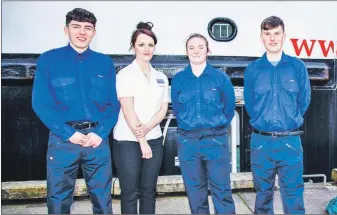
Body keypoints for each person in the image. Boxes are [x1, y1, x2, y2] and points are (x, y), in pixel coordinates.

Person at [31, 8, 119, 214]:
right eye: (76, 26)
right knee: (58, 200)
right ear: (66, 29)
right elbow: (41, 104)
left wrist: (100, 133)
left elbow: (113, 105)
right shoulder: (48, 60)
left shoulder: (104, 63)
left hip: (97, 141)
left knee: (103, 199)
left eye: (88, 28)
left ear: (94, 32)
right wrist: (69, 134)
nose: (82, 32)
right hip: (63, 142)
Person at [243, 16, 311, 214]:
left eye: (276, 33)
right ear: (261, 37)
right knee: (262, 194)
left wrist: (287, 120)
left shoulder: (297, 67)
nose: (272, 38)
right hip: (261, 142)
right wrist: (263, 123)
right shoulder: (253, 70)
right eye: (267, 34)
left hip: (290, 142)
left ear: (284, 36)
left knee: (293, 194)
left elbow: (304, 101)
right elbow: (250, 104)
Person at [170, 33, 237, 214]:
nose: (196, 51)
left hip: (215, 141)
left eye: (200, 47)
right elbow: (177, 109)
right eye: (191, 47)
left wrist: (217, 125)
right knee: (195, 194)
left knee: (222, 191)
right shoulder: (179, 80)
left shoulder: (220, 78)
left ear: (208, 50)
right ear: (186, 52)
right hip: (188, 143)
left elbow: (229, 108)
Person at [112, 21, 168, 214]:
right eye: (141, 44)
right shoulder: (125, 74)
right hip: (128, 141)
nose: (146, 49)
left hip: (154, 138)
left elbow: (162, 109)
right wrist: (141, 139)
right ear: (133, 46)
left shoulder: (161, 76)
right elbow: (128, 110)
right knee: (129, 192)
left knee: (149, 191)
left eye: (150, 45)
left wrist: (148, 128)